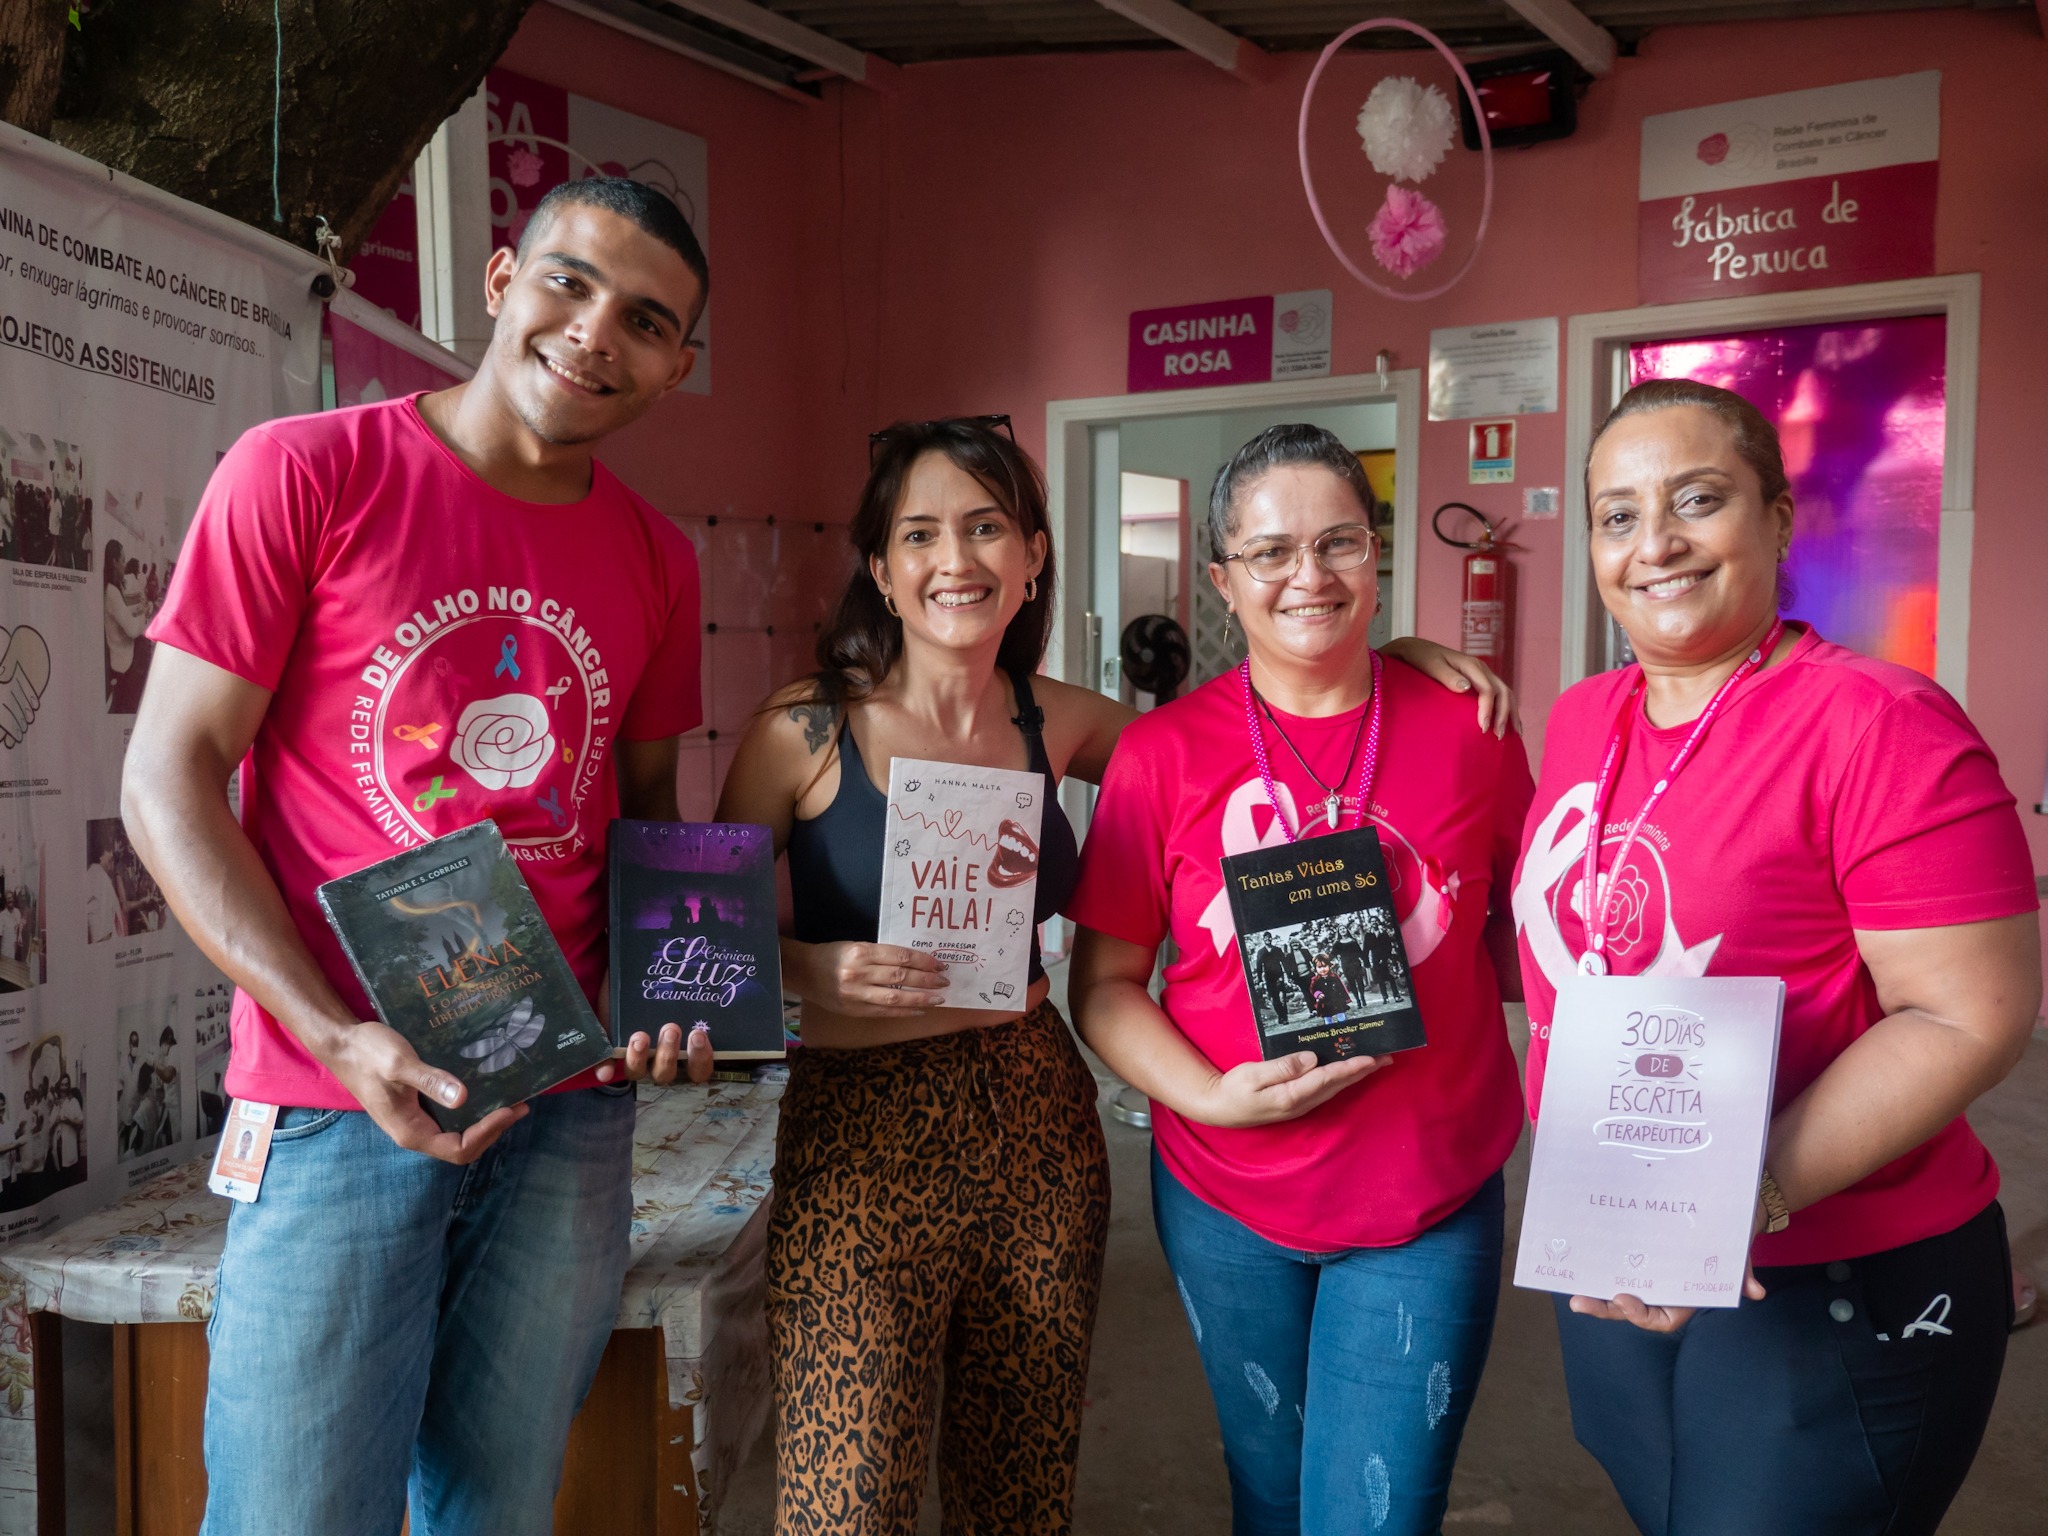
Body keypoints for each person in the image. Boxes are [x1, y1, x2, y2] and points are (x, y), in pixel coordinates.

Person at [705, 416, 1503, 1535]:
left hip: (1032, 1111)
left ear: (1031, 556)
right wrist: (809, 968)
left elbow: (1243, 734)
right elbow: (698, 938)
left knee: (1020, 1481)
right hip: (860, 1128)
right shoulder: (800, 731)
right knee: (846, 1500)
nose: (956, 559)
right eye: (921, 534)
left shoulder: (1062, 721)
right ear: (880, 569)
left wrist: (1392, 666)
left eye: (986, 528)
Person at [122, 176, 716, 1536]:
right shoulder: (304, 471)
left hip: (567, 1100)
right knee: (295, 1512)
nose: (592, 333)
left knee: (495, 1509)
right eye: (569, 282)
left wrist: (677, 983)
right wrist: (335, 1034)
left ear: (675, 367)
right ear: (500, 278)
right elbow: (166, 781)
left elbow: (644, 818)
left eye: (643, 321)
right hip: (338, 1098)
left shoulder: (657, 560)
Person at [1511, 378, 2039, 1536]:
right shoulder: (1581, 718)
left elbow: (1968, 1017)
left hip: (1833, 1270)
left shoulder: (1878, 722)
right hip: (1617, 1244)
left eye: (1695, 500)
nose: (1651, 544)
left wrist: (1731, 1201)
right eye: (1614, 515)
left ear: (1775, 517)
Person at [1068, 423, 1529, 1536]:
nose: (1307, 576)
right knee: (1268, 1495)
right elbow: (1106, 984)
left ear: (1375, 559)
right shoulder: (1160, 754)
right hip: (1226, 1192)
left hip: (1424, 1194)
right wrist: (1209, 1095)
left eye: (1338, 543)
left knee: (1373, 1515)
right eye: (1269, 552)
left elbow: (1529, 945)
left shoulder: (1471, 728)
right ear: (1222, 580)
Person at [104, 540, 151, 710]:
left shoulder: (116, 587)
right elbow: (132, 629)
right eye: (122, 560)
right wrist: (143, 614)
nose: (124, 565)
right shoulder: (112, 592)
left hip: (123, 655)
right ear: (114, 562)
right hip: (124, 660)